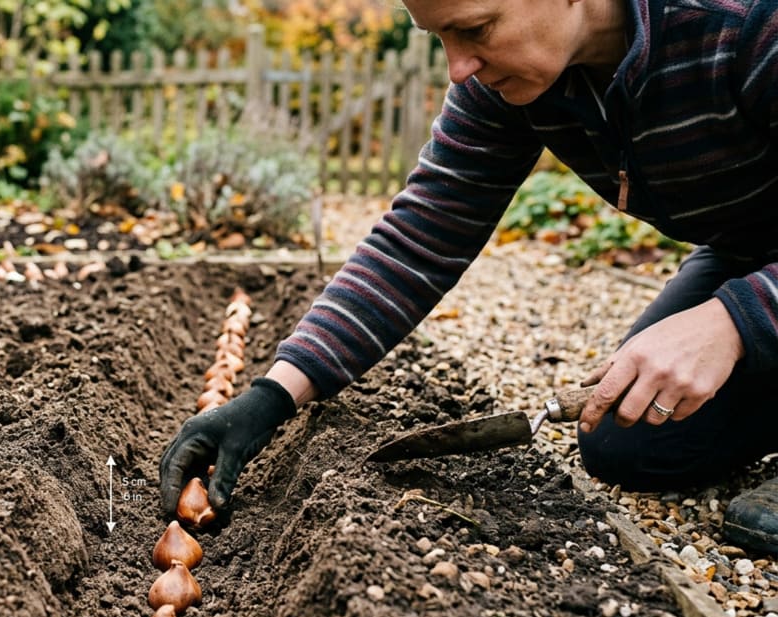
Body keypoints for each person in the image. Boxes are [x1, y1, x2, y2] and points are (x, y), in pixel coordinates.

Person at [159, 0, 778, 554]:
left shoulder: (749, 26)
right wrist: (272, 396)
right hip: (747, 246)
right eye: (440, 38)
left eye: (476, 29)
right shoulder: (508, 84)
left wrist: (730, 320)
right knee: (629, 438)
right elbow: (421, 237)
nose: (458, 68)